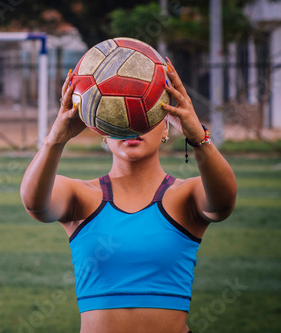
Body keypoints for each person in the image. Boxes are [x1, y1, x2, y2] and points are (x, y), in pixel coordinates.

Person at [20, 59, 237, 333]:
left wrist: (198, 136)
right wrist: (55, 139)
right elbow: (34, 204)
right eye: (121, 115)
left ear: (167, 126)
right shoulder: (78, 196)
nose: (134, 126)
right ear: (102, 130)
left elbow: (224, 203)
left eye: (144, 114)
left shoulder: (187, 195)